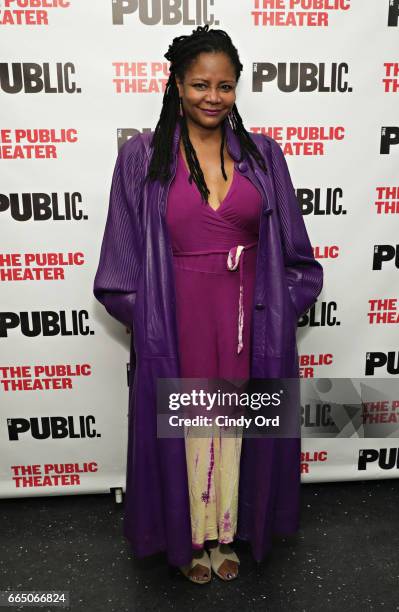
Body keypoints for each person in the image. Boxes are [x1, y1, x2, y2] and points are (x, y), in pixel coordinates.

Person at [93, 25, 323, 585]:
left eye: (225, 85)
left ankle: (230, 531)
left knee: (241, 429)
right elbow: (119, 264)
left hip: (251, 324)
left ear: (237, 88)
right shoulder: (142, 157)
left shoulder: (265, 156)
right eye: (200, 84)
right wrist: (152, 325)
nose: (212, 97)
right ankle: (190, 539)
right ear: (176, 84)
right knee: (188, 431)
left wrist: (276, 309)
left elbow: (297, 256)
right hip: (177, 325)